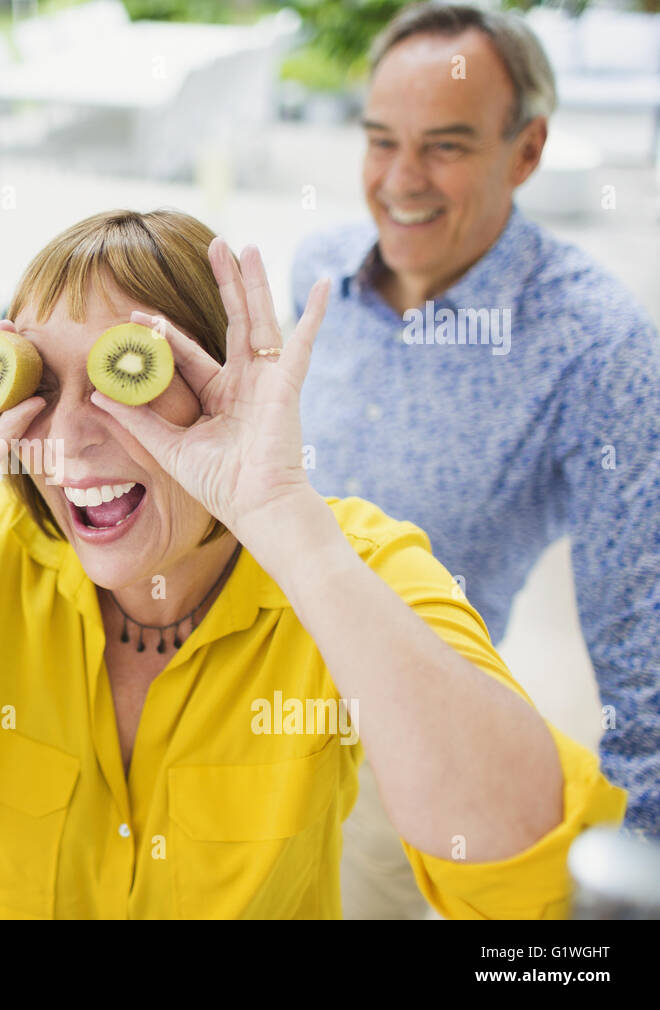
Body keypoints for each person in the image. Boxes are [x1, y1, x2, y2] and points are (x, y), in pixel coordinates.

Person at [0, 208, 625, 918]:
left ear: (223, 386)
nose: (73, 437)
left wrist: (278, 513)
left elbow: (526, 878)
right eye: (39, 383)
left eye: (128, 376)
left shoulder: (349, 560)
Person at [290, 3, 660, 918]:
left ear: (527, 150)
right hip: (214, 695)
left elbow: (640, 651)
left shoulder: (596, 345)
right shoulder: (316, 268)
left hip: (390, 750)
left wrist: (631, 879)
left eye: (446, 147)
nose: (400, 180)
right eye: (380, 140)